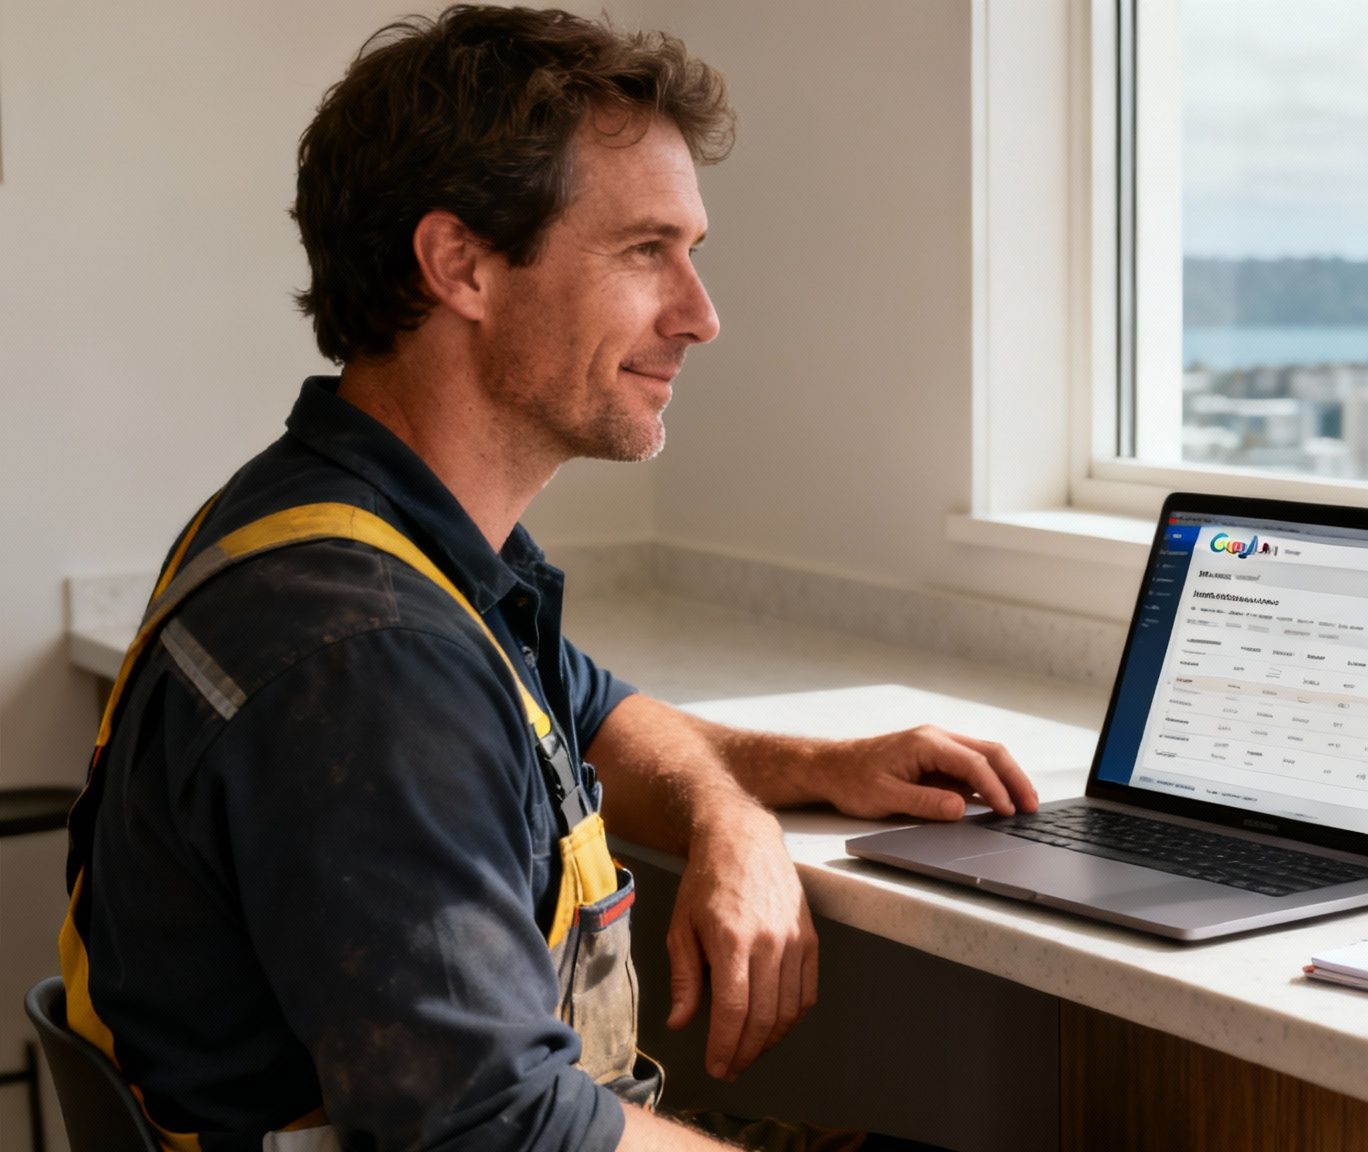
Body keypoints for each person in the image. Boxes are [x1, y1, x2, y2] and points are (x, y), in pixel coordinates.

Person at [58, 6, 1036, 1150]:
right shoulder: (366, 653)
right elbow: (496, 1135)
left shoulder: (367, 533)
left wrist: (752, 801)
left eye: (691, 254)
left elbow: (599, 715)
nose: (701, 316)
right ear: (459, 264)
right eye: (642, 251)